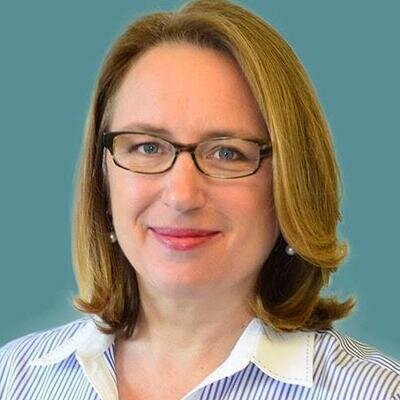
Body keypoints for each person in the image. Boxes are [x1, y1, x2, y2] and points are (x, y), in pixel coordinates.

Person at [1, 0, 399, 399]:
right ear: (103, 178)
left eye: (227, 153)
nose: (182, 196)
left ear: (291, 182)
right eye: (147, 147)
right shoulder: (14, 378)